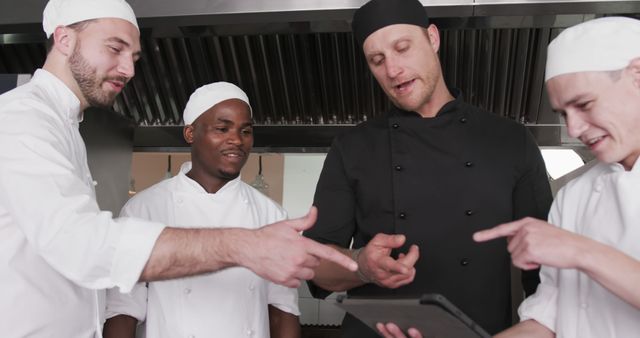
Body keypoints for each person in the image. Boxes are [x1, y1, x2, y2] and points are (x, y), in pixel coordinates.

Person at [0, 0, 355, 336]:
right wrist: (244, 245)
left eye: (134, 56)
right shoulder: (24, 117)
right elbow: (80, 243)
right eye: (115, 48)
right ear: (64, 39)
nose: (129, 69)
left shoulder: (66, 128)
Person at [377, 16, 640, 338]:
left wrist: (583, 252)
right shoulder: (574, 197)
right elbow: (547, 319)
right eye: (563, 114)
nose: (573, 129)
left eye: (584, 104)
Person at [303, 0, 553, 336]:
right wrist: (361, 266)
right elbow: (315, 264)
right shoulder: (351, 148)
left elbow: (546, 277)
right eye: (377, 61)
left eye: (402, 48)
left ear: (433, 38)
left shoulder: (511, 141)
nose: (392, 70)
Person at [103, 82, 300, 338]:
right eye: (222, 128)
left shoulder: (271, 216)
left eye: (246, 131)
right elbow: (122, 312)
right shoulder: (145, 209)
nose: (237, 140)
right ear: (190, 133)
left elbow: (283, 310)